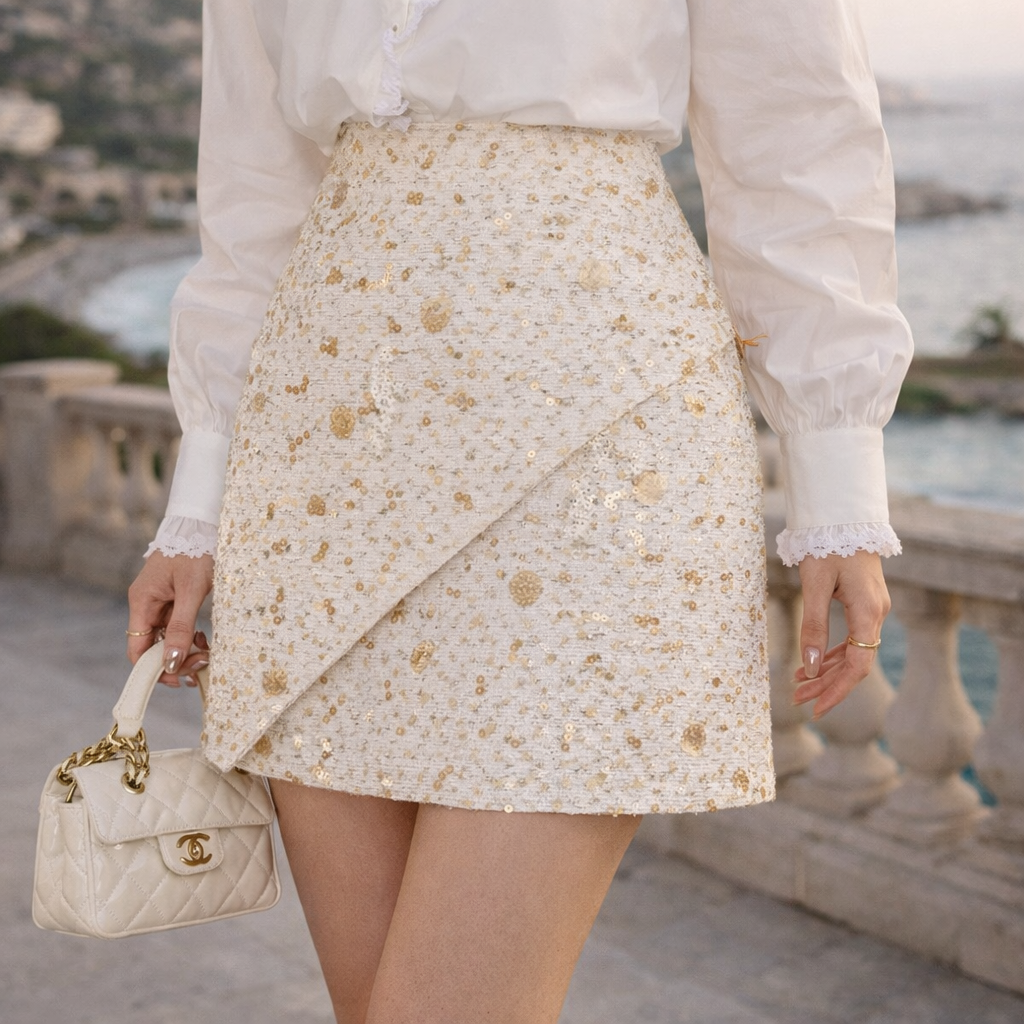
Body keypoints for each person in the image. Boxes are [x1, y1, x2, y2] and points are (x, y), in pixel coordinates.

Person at [127, 2, 911, 1021]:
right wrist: (195, 508)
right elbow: (248, 204)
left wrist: (838, 489)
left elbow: (798, 145)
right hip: (319, 470)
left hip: (597, 445)